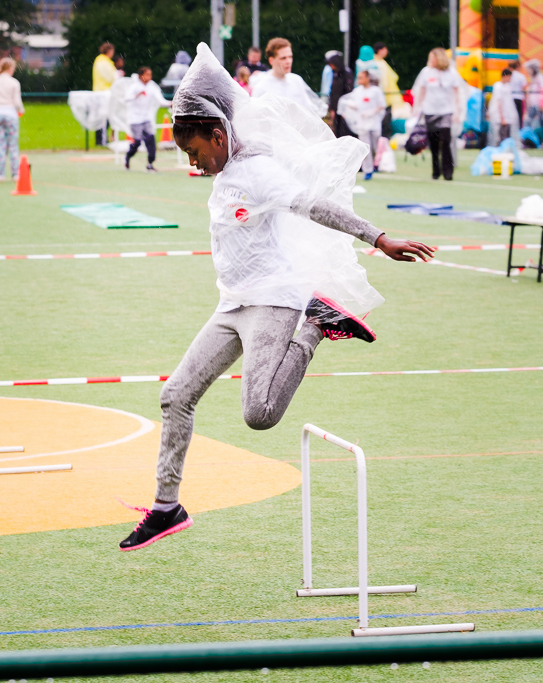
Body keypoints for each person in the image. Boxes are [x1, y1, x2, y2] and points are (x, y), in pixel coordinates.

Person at [118, 44, 434, 551]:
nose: (194, 163)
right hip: (233, 302)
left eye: (197, 152)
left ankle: (316, 325)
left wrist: (378, 238)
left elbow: (316, 207)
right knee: (176, 395)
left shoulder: (259, 172)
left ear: (219, 135)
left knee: (259, 413)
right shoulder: (223, 172)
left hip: (275, 301)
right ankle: (166, 507)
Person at [412, 47, 465, 181]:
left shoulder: (451, 73)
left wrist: (458, 110)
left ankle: (448, 171)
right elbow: (421, 90)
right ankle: (436, 171)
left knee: (446, 141)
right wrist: (418, 108)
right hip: (430, 110)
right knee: (433, 143)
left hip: (446, 111)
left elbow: (457, 92)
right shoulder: (426, 72)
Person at [250, 37, 325, 116]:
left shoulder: (296, 80)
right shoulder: (261, 87)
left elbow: (308, 110)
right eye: (283, 58)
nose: (288, 61)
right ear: (271, 60)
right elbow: (257, 118)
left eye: (290, 57)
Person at [338, 68, 385, 179]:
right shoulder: (357, 91)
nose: (359, 80)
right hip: (362, 124)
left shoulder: (375, 91)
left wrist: (372, 112)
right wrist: (347, 108)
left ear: (367, 78)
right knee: (365, 147)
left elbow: (381, 105)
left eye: (361, 78)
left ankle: (374, 164)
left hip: (374, 123)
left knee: (374, 146)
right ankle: (367, 170)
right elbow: (354, 104)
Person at [0, 57, 25, 182]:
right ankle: (15, 174)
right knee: (13, 145)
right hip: (11, 114)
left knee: (0, 145)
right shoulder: (14, 82)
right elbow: (17, 101)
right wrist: (21, 110)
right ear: (10, 68)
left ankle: (1, 174)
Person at [125, 66, 170, 172]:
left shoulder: (152, 87)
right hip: (135, 119)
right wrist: (137, 95)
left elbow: (160, 100)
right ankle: (128, 157)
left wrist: (170, 103)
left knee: (151, 140)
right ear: (141, 76)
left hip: (146, 118)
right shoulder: (134, 87)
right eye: (147, 74)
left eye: (150, 74)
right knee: (137, 142)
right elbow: (126, 98)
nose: (149, 77)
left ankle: (150, 163)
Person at [372, 42, 404, 138]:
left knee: (386, 119)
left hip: (386, 97)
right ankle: (383, 139)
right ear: (380, 50)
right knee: (383, 120)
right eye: (385, 50)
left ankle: (384, 140)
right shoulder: (376, 63)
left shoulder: (381, 62)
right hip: (381, 96)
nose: (387, 52)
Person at [487, 68, 519, 147]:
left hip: (506, 117)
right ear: (505, 76)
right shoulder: (498, 86)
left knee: (506, 137)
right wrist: (502, 118)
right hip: (500, 117)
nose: (510, 79)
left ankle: (504, 151)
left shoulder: (507, 87)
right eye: (509, 77)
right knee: (500, 137)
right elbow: (499, 103)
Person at [93, 43, 117, 145]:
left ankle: (101, 140)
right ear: (109, 51)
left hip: (101, 92)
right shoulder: (103, 61)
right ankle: (101, 141)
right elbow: (110, 77)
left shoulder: (101, 60)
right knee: (104, 118)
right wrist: (117, 76)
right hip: (104, 93)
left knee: (103, 117)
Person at [326, 53, 355, 138]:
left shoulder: (346, 73)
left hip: (344, 109)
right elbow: (333, 92)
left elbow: (349, 91)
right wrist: (332, 108)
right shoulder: (335, 74)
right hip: (336, 108)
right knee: (337, 130)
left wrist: (345, 109)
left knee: (345, 130)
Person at [523, 59, 543, 135]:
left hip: (538, 105)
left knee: (541, 122)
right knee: (528, 122)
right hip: (533, 104)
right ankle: (526, 138)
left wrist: (542, 103)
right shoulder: (533, 78)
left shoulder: (540, 77)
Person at [508, 60, 527, 127]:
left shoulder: (509, 76)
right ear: (518, 66)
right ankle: (519, 131)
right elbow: (524, 89)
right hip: (519, 98)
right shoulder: (521, 76)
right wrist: (526, 100)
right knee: (519, 117)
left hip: (510, 99)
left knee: (510, 116)